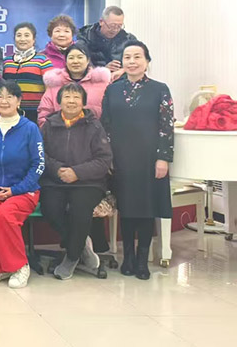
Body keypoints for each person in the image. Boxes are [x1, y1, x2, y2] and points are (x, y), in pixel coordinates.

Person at [101, 40, 174, 281]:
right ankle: (128, 258)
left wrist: (163, 158)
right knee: (127, 208)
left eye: (137, 57)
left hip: (150, 159)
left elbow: (166, 127)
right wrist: (108, 157)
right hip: (121, 158)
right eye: (127, 57)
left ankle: (142, 259)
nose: (132, 62)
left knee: (146, 208)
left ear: (147, 62)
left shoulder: (160, 89)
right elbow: (105, 125)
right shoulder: (112, 90)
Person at [40, 83, 113, 280]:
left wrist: (77, 172)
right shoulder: (49, 125)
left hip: (88, 182)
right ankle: (82, 247)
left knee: (80, 210)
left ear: (83, 102)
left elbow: (104, 160)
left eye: (76, 97)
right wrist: (57, 170)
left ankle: (72, 257)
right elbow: (40, 155)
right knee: (50, 209)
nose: (71, 101)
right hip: (55, 180)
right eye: (67, 97)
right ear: (59, 101)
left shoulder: (94, 126)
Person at [0, 80, 44, 289]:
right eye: (0, 96)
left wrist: (16, 190)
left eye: (9, 97)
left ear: (19, 101)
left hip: (24, 191)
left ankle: (20, 265)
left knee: (4, 216)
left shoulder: (30, 129)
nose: (4, 101)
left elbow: (39, 164)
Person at [38, 44, 111, 127]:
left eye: (80, 57)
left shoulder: (101, 83)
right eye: (71, 58)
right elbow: (44, 113)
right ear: (65, 61)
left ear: (88, 60)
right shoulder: (55, 84)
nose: (75, 61)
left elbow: (110, 113)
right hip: (60, 132)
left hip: (95, 132)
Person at [2, 22, 53, 122]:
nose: (22, 39)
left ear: (33, 39)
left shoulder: (43, 60)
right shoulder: (7, 61)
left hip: (35, 114)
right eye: (19, 35)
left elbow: (50, 90)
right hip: (9, 112)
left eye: (26, 35)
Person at [76, 6, 137, 79]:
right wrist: (103, 71)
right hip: (93, 80)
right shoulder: (85, 37)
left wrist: (123, 70)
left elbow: (141, 61)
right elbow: (79, 66)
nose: (115, 30)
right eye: (112, 26)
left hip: (122, 80)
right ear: (101, 22)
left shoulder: (128, 39)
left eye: (119, 26)